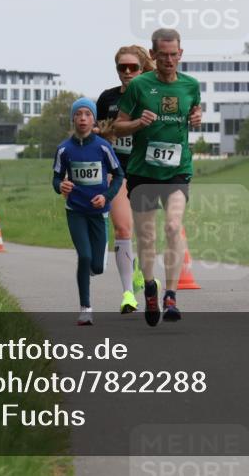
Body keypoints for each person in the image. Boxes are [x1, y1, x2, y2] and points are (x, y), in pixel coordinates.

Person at [113, 28, 202, 327]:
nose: (168, 60)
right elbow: (118, 127)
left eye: (173, 54)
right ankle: (150, 286)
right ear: (152, 55)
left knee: (174, 226)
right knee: (148, 237)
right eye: (162, 55)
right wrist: (138, 122)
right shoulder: (139, 86)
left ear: (180, 53)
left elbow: (194, 110)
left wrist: (197, 117)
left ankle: (171, 294)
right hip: (142, 172)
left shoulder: (191, 85)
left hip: (178, 169)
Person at [53, 98, 125, 326]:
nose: (82, 118)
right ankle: (85, 308)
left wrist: (106, 196)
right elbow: (56, 178)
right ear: (73, 118)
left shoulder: (103, 147)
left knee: (97, 267)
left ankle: (93, 267)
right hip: (75, 210)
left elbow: (119, 176)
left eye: (87, 114)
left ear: (94, 119)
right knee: (84, 257)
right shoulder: (64, 149)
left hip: (98, 210)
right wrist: (60, 186)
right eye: (78, 114)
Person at [96, 44, 154, 313]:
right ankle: (128, 293)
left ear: (142, 69)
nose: (127, 72)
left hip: (145, 170)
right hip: (116, 171)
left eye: (133, 67)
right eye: (123, 67)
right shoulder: (107, 99)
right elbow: (98, 135)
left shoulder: (153, 96)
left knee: (145, 232)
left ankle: (143, 269)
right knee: (122, 229)